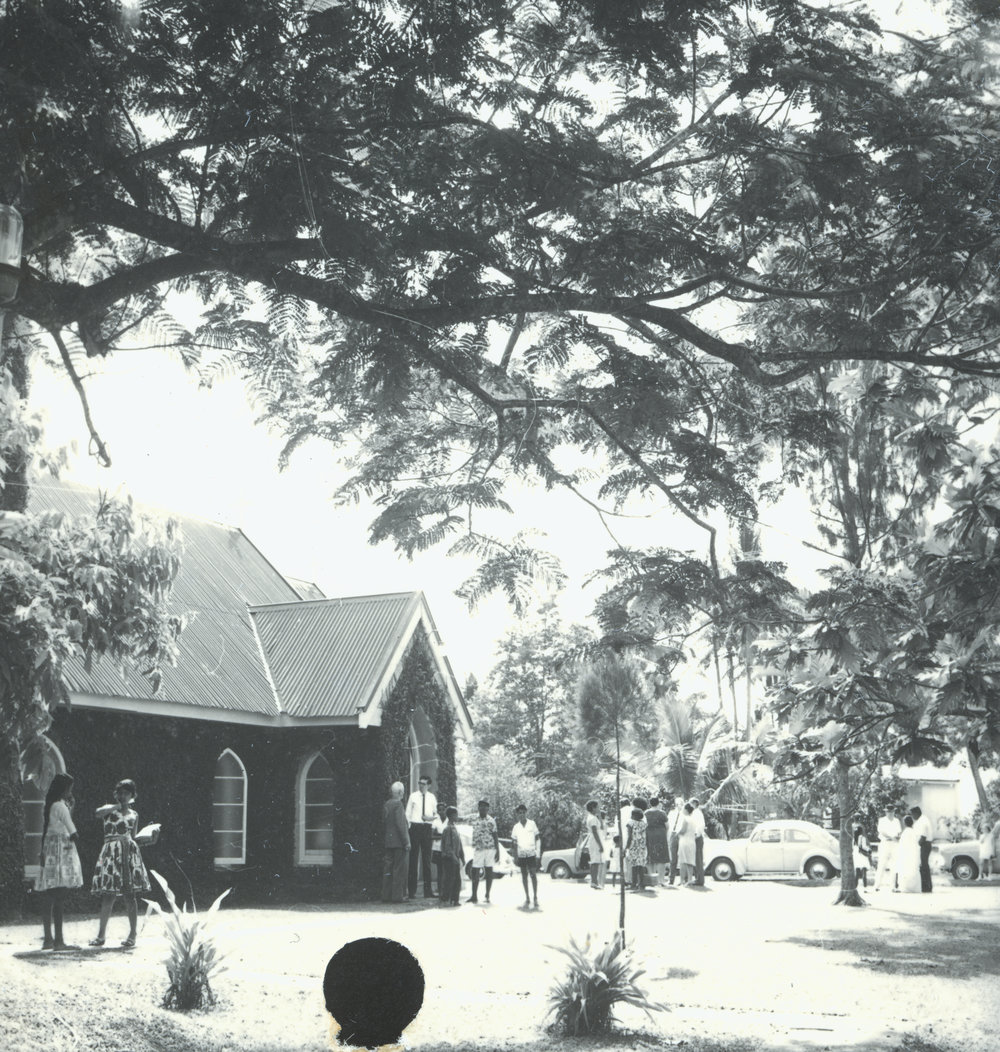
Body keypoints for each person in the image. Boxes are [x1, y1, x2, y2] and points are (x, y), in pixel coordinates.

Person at [90, 779, 158, 948]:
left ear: (132, 795)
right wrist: (116, 806)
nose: (123, 796)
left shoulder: (134, 815)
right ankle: (100, 936)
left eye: (126, 793)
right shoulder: (108, 810)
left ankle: (132, 934)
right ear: (116, 794)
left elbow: (133, 837)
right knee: (109, 895)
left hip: (128, 853)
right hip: (111, 852)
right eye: (120, 793)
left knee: (130, 895)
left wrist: (150, 840)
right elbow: (97, 813)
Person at [36, 773, 83, 950]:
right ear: (64, 789)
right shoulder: (60, 806)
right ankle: (59, 941)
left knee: (50, 895)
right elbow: (72, 830)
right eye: (69, 788)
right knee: (59, 896)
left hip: (50, 849)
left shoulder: (52, 805)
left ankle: (48, 939)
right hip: (62, 851)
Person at [406, 775, 437, 899]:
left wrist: (430, 820)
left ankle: (427, 891)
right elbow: (407, 814)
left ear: (429, 785)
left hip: (426, 829)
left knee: (427, 860)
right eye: (419, 783)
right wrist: (409, 829)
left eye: (423, 784)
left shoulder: (432, 797)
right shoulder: (413, 796)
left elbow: (435, 814)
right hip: (415, 828)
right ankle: (412, 891)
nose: (421, 786)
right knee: (413, 860)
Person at [381, 781, 410, 903]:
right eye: (402, 792)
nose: (403, 794)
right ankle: (397, 896)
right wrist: (406, 841)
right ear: (400, 792)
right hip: (398, 842)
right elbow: (401, 825)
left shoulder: (386, 804)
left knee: (388, 869)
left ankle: (386, 895)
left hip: (388, 841)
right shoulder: (398, 804)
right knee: (399, 869)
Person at [468, 800, 499, 904]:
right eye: (481, 807)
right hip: (478, 848)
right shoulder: (473, 818)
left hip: (490, 848)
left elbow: (495, 836)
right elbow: (461, 820)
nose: (483, 809)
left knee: (489, 871)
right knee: (475, 871)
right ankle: (474, 896)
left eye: (485, 807)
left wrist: (497, 850)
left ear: (488, 809)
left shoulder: (491, 820)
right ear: (478, 808)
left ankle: (487, 895)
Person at [510, 803, 541, 909]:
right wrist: (515, 857)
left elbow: (538, 839)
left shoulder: (532, 824)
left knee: (533, 875)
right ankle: (527, 897)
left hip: (531, 853)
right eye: (520, 813)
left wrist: (538, 853)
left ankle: (535, 897)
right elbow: (514, 843)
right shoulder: (516, 827)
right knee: (524, 876)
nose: (522, 815)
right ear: (517, 814)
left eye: (523, 812)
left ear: (526, 813)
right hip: (521, 854)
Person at [439, 806, 465, 906]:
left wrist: (462, 856)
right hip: (449, 858)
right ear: (451, 816)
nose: (457, 817)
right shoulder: (448, 829)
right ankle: (445, 899)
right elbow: (448, 846)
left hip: (455, 857)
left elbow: (459, 844)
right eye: (456, 815)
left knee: (457, 880)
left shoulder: (455, 828)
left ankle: (455, 899)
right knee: (449, 879)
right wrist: (454, 857)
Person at [874, 806, 901, 892]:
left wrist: (897, 837)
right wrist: (891, 837)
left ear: (894, 812)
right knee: (882, 864)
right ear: (886, 812)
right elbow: (882, 832)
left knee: (894, 865)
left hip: (894, 844)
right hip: (885, 843)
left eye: (891, 811)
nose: (890, 813)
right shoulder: (882, 820)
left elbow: (898, 832)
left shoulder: (896, 821)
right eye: (888, 811)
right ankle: (876, 885)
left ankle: (892, 886)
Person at [644, 798, 668, 887]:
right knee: (661, 858)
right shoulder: (662, 813)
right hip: (660, 836)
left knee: (650, 857)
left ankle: (652, 878)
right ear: (658, 803)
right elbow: (667, 825)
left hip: (649, 836)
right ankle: (661, 880)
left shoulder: (646, 813)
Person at [625, 804, 649, 893]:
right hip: (642, 846)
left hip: (634, 846)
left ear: (633, 815)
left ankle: (634, 884)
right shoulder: (644, 824)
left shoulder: (630, 823)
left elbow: (629, 836)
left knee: (634, 866)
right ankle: (641, 884)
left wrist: (626, 847)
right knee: (641, 865)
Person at [910, 806, 933, 893]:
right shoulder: (922, 820)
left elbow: (923, 837)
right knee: (923, 866)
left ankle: (926, 887)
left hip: (924, 844)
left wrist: (916, 846)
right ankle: (926, 886)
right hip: (925, 844)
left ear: (916, 813)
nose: (912, 817)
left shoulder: (923, 821)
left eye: (912, 815)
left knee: (923, 866)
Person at [896, 815, 921, 893]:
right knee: (913, 870)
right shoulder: (914, 832)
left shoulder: (905, 833)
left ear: (905, 823)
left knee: (906, 870)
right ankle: (914, 888)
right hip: (913, 854)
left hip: (906, 855)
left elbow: (902, 845)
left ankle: (905, 888)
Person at [585, 800, 605, 889]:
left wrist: (600, 816)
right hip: (594, 841)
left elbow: (601, 827)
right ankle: (594, 881)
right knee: (595, 861)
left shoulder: (594, 817)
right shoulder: (592, 818)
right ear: (593, 808)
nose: (599, 808)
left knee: (596, 861)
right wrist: (600, 845)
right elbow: (595, 832)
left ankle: (594, 881)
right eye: (597, 807)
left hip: (595, 840)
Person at [431, 802, 448, 897]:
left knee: (447, 869)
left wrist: (439, 835)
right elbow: (432, 835)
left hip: (447, 849)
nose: (441, 811)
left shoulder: (449, 820)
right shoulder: (435, 821)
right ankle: (440, 890)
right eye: (439, 810)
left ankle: (446, 890)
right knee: (440, 870)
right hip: (437, 848)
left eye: (443, 809)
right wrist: (442, 836)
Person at [677, 803, 697, 885]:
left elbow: (683, 830)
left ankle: (681, 880)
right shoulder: (693, 819)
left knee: (683, 861)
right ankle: (689, 879)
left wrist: (677, 833)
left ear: (686, 810)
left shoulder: (685, 819)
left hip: (684, 841)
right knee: (690, 861)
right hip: (692, 841)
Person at [667, 796, 685, 885]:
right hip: (673, 834)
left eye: (681, 804)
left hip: (682, 835)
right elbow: (668, 826)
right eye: (677, 804)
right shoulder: (671, 813)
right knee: (673, 859)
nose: (679, 806)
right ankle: (671, 879)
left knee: (682, 858)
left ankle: (683, 879)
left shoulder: (685, 814)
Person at [689, 797, 707, 886]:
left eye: (691, 803)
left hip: (697, 838)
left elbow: (700, 825)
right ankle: (697, 878)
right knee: (696, 859)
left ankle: (700, 879)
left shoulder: (697, 813)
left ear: (695, 804)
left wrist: (696, 834)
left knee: (698, 859)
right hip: (695, 837)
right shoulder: (694, 813)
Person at [617, 797, 633, 887]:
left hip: (622, 836)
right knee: (631, 858)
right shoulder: (632, 810)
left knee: (624, 858)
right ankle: (631, 879)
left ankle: (625, 879)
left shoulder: (619, 812)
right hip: (631, 835)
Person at [853, 823, 871, 888]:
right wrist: (868, 849)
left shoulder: (853, 838)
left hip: (856, 854)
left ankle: (855, 887)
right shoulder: (862, 837)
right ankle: (865, 887)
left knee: (857, 872)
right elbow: (864, 846)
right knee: (864, 871)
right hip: (862, 855)